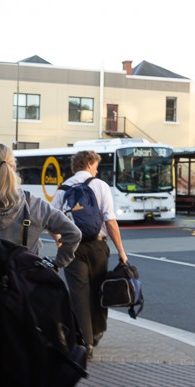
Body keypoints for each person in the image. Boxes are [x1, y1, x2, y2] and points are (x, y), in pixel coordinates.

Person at [52, 150, 128, 359]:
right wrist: (121, 251)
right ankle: (97, 331)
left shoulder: (64, 188)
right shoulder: (100, 186)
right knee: (98, 291)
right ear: (87, 163)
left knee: (79, 294)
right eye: (95, 165)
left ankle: (86, 344)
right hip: (97, 246)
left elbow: (52, 219)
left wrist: (60, 240)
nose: (96, 169)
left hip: (72, 247)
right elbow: (110, 221)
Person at [0, 143, 81, 269]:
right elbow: (74, 233)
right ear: (14, 167)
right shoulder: (34, 204)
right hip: (24, 282)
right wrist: (57, 263)